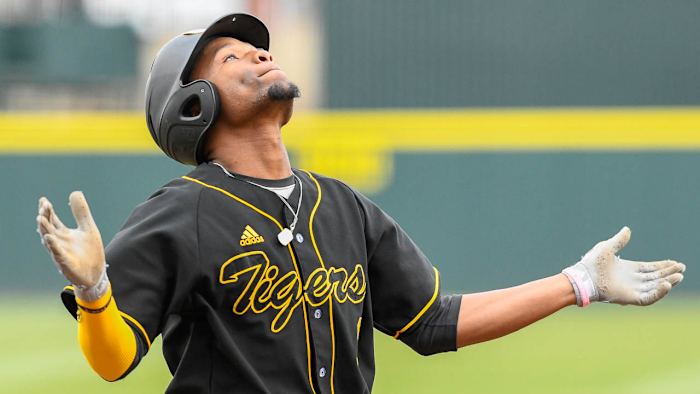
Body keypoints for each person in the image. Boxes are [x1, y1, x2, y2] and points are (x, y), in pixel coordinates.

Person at [36, 13, 686, 394]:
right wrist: (95, 289)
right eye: (233, 56)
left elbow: (433, 322)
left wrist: (578, 282)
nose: (261, 52)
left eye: (259, 47)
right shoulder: (184, 212)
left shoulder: (343, 206)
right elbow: (114, 359)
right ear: (192, 105)